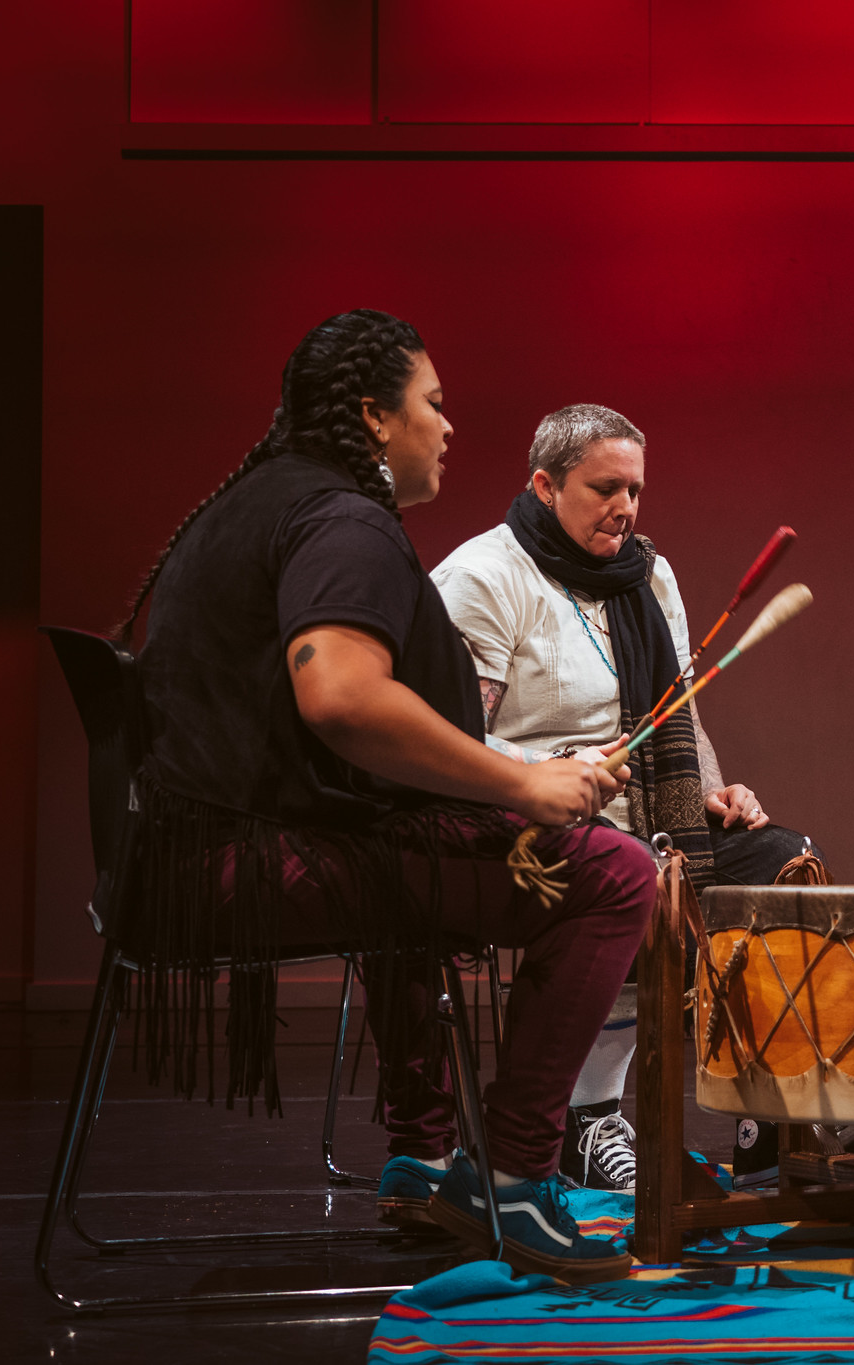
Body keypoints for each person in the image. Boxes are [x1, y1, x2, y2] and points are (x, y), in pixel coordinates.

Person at [121, 310, 654, 1286]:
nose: (449, 428)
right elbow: (342, 697)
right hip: (230, 868)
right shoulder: (343, 519)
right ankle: (519, 1178)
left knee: (428, 848)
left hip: (176, 861)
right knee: (616, 871)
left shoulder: (247, 503)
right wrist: (523, 783)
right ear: (374, 418)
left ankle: (435, 1155)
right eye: (433, 405)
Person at [432, 403, 816, 1191]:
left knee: (784, 862)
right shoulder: (485, 577)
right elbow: (449, 739)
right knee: (640, 873)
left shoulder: (649, 572)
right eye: (605, 488)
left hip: (646, 812)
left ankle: (760, 1106)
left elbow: (678, 714)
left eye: (635, 490)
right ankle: (589, 1117)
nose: (627, 508)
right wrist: (559, 765)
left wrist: (714, 791)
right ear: (544, 484)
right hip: (520, 819)